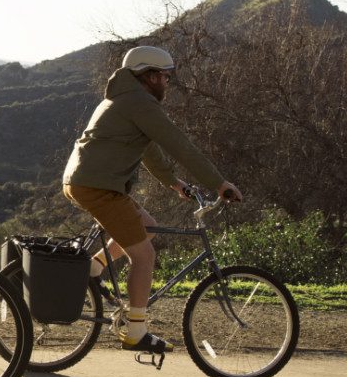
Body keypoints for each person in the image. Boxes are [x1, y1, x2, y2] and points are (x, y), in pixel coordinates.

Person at [62, 45, 243, 354]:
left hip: (89, 182)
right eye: (165, 77)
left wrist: (174, 183)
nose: (167, 83)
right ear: (150, 76)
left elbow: (149, 151)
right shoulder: (139, 102)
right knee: (144, 257)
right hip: (98, 186)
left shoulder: (124, 99)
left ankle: (91, 269)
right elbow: (178, 144)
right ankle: (136, 332)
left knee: (149, 227)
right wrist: (219, 183)